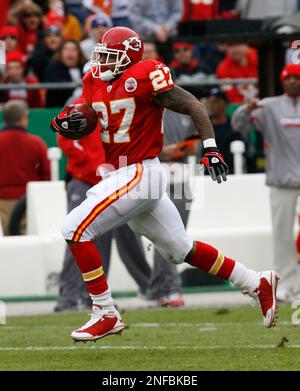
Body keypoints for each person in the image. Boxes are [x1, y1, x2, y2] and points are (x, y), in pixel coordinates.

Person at [51, 26, 279, 342]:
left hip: (139, 170)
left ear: (129, 57)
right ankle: (255, 281)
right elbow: (85, 116)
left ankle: (104, 311)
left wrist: (210, 147)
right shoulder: (94, 81)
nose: (102, 62)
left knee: (74, 229)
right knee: (179, 249)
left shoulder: (146, 75)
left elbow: (192, 105)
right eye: (100, 56)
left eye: (109, 57)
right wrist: (62, 123)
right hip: (123, 171)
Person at [55, 117, 151, 311]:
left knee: (102, 243)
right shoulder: (83, 106)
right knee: (76, 236)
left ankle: (97, 297)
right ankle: (70, 295)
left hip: (109, 181)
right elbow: (64, 137)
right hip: (86, 179)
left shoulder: (111, 104)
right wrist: (91, 163)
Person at [232, 63, 300, 303]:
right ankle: (287, 285)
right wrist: (246, 109)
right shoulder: (269, 106)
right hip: (281, 181)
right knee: (282, 236)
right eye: (289, 77)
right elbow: (239, 124)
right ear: (282, 80)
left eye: (297, 77)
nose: (293, 81)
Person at [146, 108, 198, 307]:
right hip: (152, 174)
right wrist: (161, 152)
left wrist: (190, 148)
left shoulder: (185, 111)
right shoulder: (146, 109)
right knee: (166, 234)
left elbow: (195, 143)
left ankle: (159, 288)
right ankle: (169, 288)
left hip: (180, 174)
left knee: (173, 234)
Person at [0, 100, 50, 235]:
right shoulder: (36, 143)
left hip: (3, 202)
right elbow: (46, 175)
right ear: (23, 119)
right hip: (29, 202)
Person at [205, 87, 244, 173]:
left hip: (230, 175)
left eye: (215, 102)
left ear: (225, 104)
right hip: (207, 176)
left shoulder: (235, 129)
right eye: (209, 101)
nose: (211, 105)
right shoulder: (202, 128)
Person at [45, 39, 86, 107]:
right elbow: (54, 84)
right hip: (58, 107)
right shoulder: (53, 67)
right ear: (60, 53)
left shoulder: (85, 67)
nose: (69, 53)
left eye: (73, 50)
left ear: (79, 53)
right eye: (66, 50)